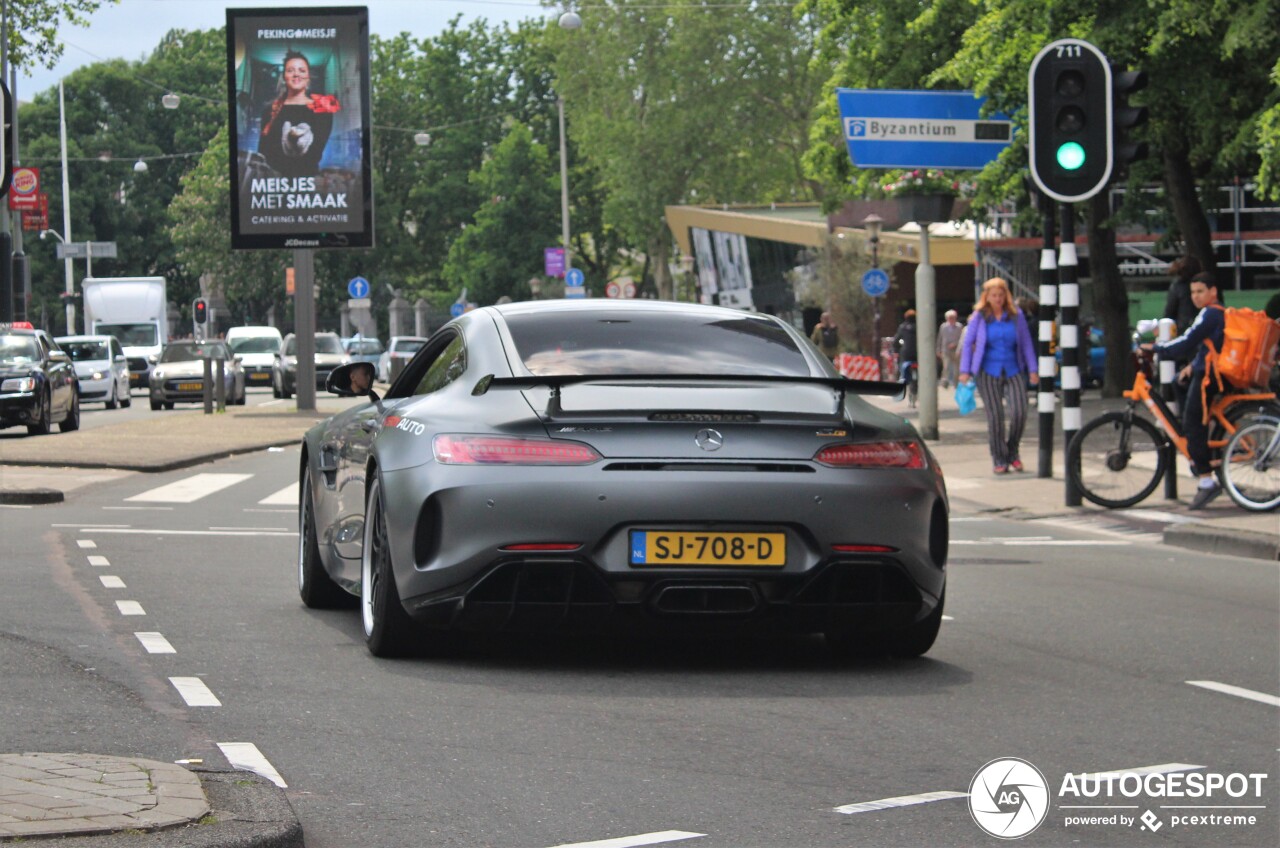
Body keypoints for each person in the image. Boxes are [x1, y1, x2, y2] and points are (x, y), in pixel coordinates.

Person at [1152, 272, 1227, 509]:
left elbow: (1187, 341)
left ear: (1213, 292)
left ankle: (1206, 481)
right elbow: (1209, 347)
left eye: (1200, 291)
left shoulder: (1210, 313)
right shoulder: (1216, 313)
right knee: (1179, 382)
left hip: (1209, 377)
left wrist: (1157, 348)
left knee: (1194, 424)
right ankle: (1198, 448)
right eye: (1193, 292)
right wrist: (1192, 366)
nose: (1195, 296)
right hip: (1205, 370)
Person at [959, 277, 1038, 474]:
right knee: (996, 417)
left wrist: (1033, 369)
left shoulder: (1016, 315)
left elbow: (1027, 343)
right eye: (994, 295)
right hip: (987, 371)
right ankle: (999, 458)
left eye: (1001, 295)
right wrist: (964, 370)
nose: (998, 299)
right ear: (987, 297)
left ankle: (1013, 451)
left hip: (1013, 369)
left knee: (1020, 411)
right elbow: (968, 344)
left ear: (1006, 296)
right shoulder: (980, 316)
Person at [259, 51, 337, 178]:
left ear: (308, 78)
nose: (296, 74)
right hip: (274, 183)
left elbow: (315, 152)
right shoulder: (269, 110)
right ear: (284, 77)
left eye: (302, 70)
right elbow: (263, 151)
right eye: (290, 70)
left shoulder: (322, 110)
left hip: (308, 181)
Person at [936, 309, 965, 388]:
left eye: (953, 317)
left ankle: (956, 383)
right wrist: (938, 350)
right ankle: (945, 381)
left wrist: (955, 344)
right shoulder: (943, 327)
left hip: (956, 350)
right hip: (945, 350)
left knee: (957, 369)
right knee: (946, 366)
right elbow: (940, 338)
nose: (952, 319)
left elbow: (962, 339)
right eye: (950, 317)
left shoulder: (959, 326)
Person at [892, 309, 918, 383]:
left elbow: (896, 340)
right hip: (917, 353)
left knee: (902, 367)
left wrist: (896, 350)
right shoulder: (919, 327)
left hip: (906, 353)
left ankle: (902, 379)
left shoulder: (902, 327)